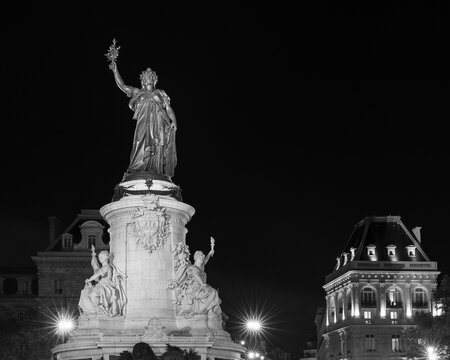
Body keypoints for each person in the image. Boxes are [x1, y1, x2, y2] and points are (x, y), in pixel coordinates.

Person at [109, 61, 177, 177]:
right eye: (147, 75)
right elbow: (123, 86)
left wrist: (174, 120)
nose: (149, 77)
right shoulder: (137, 92)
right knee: (139, 143)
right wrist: (115, 71)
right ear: (143, 79)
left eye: (151, 76)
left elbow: (168, 108)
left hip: (159, 124)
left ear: (155, 79)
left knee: (158, 146)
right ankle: (137, 169)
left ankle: (156, 171)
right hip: (143, 124)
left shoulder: (160, 93)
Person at [78, 246, 127, 317]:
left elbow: (97, 275)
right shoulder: (103, 267)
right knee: (84, 291)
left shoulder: (107, 267)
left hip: (106, 284)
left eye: (101, 257)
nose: (100, 259)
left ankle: (99, 310)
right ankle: (92, 310)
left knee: (94, 293)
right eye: (99, 257)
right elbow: (96, 269)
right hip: (101, 284)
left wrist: (89, 280)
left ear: (106, 258)